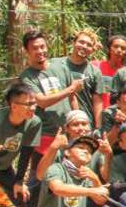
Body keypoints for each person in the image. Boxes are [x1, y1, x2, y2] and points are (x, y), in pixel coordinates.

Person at [19, 30, 81, 165]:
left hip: (68, 132)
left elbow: (73, 97)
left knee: (70, 172)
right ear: (26, 51)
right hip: (44, 134)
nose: (40, 51)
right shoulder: (26, 77)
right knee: (40, 176)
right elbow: (41, 102)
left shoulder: (61, 67)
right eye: (35, 48)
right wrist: (70, 89)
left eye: (42, 46)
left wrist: (77, 120)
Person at [53, 29, 105, 127]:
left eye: (89, 45)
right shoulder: (56, 64)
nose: (84, 46)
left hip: (84, 124)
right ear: (73, 43)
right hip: (58, 122)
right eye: (81, 42)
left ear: (92, 49)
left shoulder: (94, 72)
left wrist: (98, 127)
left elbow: (97, 101)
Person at [95, 34, 126, 113]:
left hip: (117, 114)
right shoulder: (96, 66)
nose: (119, 50)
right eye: (116, 46)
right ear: (109, 48)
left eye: (123, 48)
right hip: (95, 112)